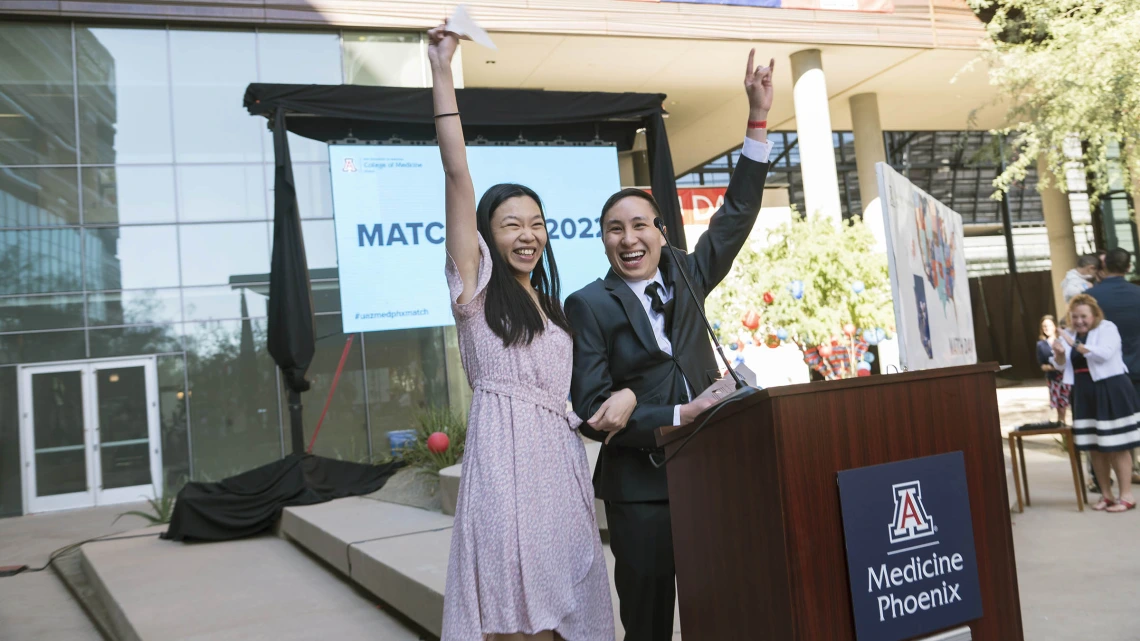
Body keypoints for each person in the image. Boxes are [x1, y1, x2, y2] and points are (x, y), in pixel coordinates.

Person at [429, 26, 630, 641]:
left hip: (561, 467)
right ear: (487, 236)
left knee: (568, 612)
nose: (527, 233)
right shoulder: (477, 289)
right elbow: (458, 173)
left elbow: (572, 403)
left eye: (537, 223)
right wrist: (442, 71)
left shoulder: (552, 306)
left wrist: (613, 406)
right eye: (510, 223)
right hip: (505, 466)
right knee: (515, 617)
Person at [566, 50, 776, 641]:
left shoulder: (687, 272)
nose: (629, 238)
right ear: (604, 240)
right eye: (615, 228)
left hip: (715, 472)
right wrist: (679, 411)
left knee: (724, 607)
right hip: (641, 490)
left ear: (661, 231)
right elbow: (589, 411)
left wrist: (757, 117)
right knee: (651, 624)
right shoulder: (590, 303)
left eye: (640, 225)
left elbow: (736, 212)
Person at [1051, 294, 1140, 512]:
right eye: (1075, 317)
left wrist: (1073, 344)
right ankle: (1106, 495)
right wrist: (1060, 353)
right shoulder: (1069, 333)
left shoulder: (1107, 328)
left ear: (1094, 315)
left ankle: (1126, 495)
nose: (1079, 321)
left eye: (1083, 316)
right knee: (1094, 447)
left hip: (1111, 388)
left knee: (1118, 445)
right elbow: (1060, 366)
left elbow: (1104, 355)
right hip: (1083, 391)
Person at [1085, 248, 1140, 482]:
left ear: (1104, 268)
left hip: (1104, 371)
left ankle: (1101, 479)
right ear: (1128, 268)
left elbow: (1082, 335)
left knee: (1102, 426)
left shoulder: (1090, 297)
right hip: (1138, 368)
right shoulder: (1138, 294)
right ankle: (1133, 469)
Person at [1036, 314, 1070, 425]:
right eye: (1044, 326)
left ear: (1054, 326)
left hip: (1066, 377)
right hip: (1053, 379)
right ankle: (1062, 426)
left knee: (1069, 403)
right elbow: (1042, 365)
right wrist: (1053, 367)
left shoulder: (1063, 340)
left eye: (1049, 325)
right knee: (1059, 407)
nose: (1047, 328)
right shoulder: (1041, 345)